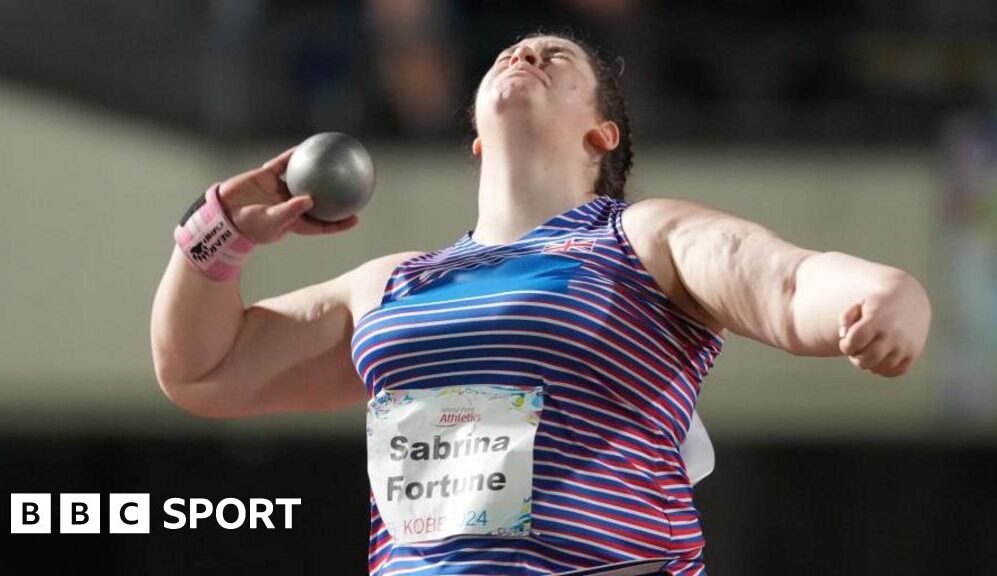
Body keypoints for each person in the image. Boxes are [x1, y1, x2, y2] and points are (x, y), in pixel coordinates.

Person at [151, 32, 932, 576]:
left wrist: (883, 296)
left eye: (556, 58)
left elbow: (790, 284)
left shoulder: (642, 238)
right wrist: (218, 230)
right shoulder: (391, 285)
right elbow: (205, 368)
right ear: (476, 142)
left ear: (602, 133)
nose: (524, 53)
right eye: (508, 53)